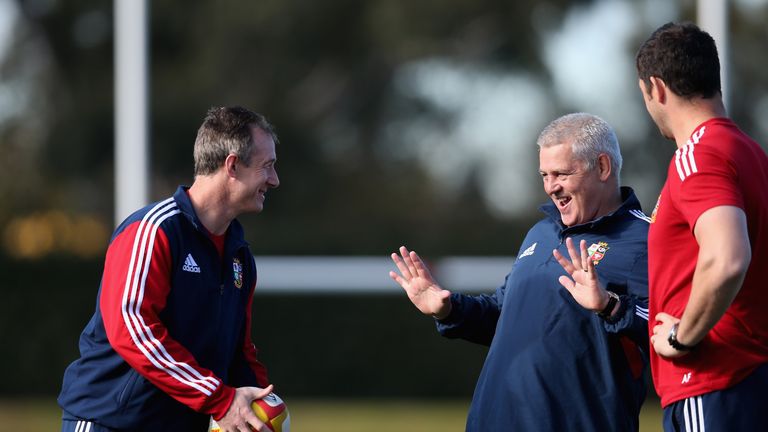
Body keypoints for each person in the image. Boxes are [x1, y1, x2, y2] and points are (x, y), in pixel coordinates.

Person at [389, 113, 651, 431]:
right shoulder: (540, 233)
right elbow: (505, 316)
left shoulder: (646, 240)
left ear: (603, 167)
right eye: (544, 175)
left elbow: (678, 328)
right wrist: (449, 309)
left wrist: (611, 305)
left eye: (562, 174)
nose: (551, 187)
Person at [58, 106, 281, 431]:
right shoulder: (153, 231)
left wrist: (259, 402)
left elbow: (238, 352)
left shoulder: (239, 256)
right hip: (110, 423)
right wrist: (221, 400)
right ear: (232, 165)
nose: (274, 180)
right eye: (268, 166)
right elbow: (132, 329)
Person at [636, 22, 768, 431]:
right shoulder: (752, 153)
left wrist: (682, 338)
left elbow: (728, 258)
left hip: (713, 380)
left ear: (656, 89)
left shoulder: (699, 154)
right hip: (747, 382)